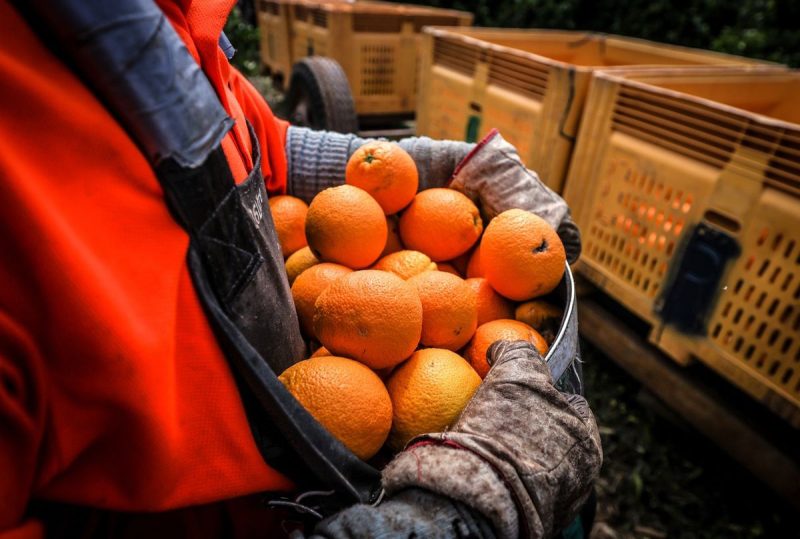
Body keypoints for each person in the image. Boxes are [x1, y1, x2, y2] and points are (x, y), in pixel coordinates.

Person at [0, 0, 601, 537]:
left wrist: (429, 168)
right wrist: (436, 520)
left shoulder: (162, 23)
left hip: (329, 408)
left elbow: (259, 147)